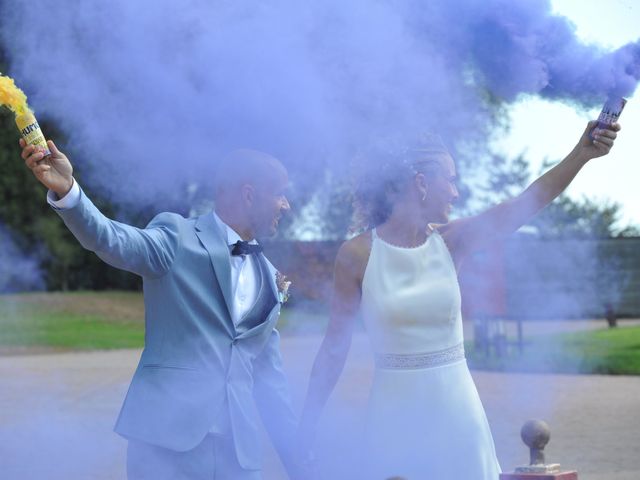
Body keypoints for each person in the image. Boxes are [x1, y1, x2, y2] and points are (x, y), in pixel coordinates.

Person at [297, 121, 620, 478]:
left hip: (457, 414)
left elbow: (528, 202)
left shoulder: (454, 241)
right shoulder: (356, 254)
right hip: (392, 418)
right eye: (449, 180)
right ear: (421, 183)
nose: (455, 192)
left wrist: (581, 154)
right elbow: (333, 349)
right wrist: (307, 425)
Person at [20, 140, 306, 480]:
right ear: (249, 195)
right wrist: (69, 191)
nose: (286, 205)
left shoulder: (272, 280)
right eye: (280, 194)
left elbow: (271, 382)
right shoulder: (177, 236)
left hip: (239, 457)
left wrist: (302, 465)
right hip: (166, 446)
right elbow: (111, 239)